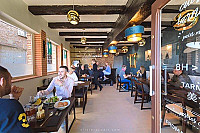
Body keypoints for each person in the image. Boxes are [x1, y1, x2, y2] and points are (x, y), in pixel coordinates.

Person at [0, 66, 31, 133]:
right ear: (2, 81)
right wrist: (13, 102)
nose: (11, 84)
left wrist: (13, 98)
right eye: (10, 80)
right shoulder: (12, 106)